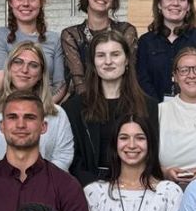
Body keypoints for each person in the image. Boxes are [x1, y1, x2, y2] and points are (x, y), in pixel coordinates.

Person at [63, 32, 161, 187]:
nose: (108, 61)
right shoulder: (73, 108)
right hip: (87, 189)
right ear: (93, 63)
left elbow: (152, 155)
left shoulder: (149, 106)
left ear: (127, 59)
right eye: (101, 55)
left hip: (135, 188)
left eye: (115, 54)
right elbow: (73, 159)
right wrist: (95, 187)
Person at [0, 41, 76, 175]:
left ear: (41, 74)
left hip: (44, 189)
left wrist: (34, 183)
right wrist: (4, 181)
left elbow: (63, 157)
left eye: (33, 65)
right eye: (18, 62)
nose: (24, 70)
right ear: (9, 67)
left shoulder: (57, 114)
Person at [60, 0, 138, 98]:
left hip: (121, 99)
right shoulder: (71, 35)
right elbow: (78, 81)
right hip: (83, 104)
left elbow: (128, 74)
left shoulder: (126, 31)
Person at [0, 0, 65, 100]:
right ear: (11, 2)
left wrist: (42, 109)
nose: (26, 3)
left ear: (41, 2)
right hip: (11, 107)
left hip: (47, 108)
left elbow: (60, 85)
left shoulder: (54, 39)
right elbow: (3, 84)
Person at [136, 0, 196, 100]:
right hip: (154, 111)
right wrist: (159, 108)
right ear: (159, 4)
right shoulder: (146, 41)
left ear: (188, 6)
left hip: (190, 108)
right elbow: (142, 80)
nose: (175, 3)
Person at [158, 46, 196, 189]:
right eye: (184, 70)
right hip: (165, 187)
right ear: (174, 76)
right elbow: (146, 155)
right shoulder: (159, 111)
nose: (191, 75)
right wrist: (164, 172)